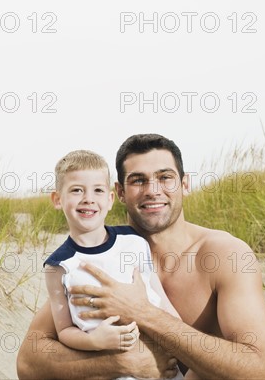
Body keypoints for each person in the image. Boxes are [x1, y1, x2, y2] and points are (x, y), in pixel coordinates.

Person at [16, 134, 265, 379]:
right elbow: (28, 363)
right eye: (138, 180)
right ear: (119, 193)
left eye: (165, 177)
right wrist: (118, 363)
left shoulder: (224, 255)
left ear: (184, 184)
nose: (152, 190)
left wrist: (142, 312)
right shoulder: (102, 257)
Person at [44, 150, 183, 380]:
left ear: (109, 200)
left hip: (163, 366)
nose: (88, 198)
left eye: (98, 190)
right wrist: (93, 340)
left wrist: (180, 339)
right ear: (58, 199)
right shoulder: (59, 266)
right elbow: (64, 330)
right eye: (77, 190)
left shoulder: (134, 242)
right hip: (113, 370)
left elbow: (160, 298)